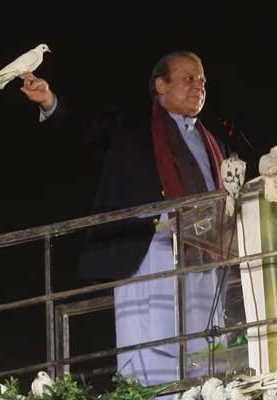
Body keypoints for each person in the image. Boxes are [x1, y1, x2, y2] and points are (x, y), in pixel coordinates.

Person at [20, 51, 228, 385]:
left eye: (202, 80)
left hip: (204, 259)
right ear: (161, 85)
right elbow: (85, 130)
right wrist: (50, 101)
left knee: (207, 348)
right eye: (188, 78)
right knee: (153, 352)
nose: (199, 86)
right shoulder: (133, 130)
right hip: (150, 253)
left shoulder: (213, 142)